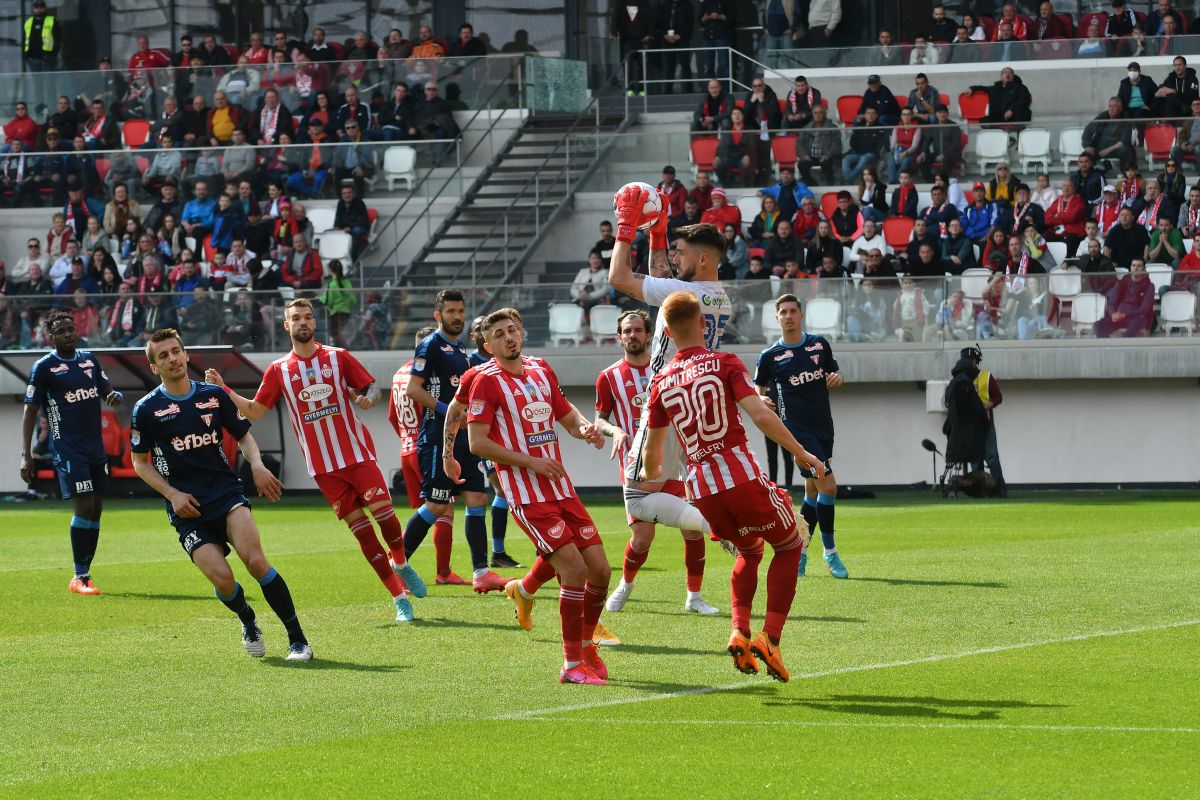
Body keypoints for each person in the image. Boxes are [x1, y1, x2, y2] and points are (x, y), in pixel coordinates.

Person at [205, 298, 428, 623]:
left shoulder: (337, 357)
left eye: (308, 317)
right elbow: (255, 410)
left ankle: (401, 562)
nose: (303, 322)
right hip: (324, 469)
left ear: (314, 322)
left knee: (387, 517)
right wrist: (225, 389)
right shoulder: (280, 369)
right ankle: (399, 598)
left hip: (357, 455)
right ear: (287, 325)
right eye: (296, 318)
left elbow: (370, 387)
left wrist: (369, 398)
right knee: (364, 534)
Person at [642, 290, 823, 682]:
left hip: (702, 489)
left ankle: (739, 630)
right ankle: (770, 639)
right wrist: (800, 452)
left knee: (748, 549)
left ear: (669, 334)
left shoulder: (661, 382)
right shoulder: (723, 361)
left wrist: (646, 474)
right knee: (792, 544)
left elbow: (652, 457)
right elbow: (758, 413)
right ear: (704, 325)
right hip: (739, 474)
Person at [132, 329, 311, 660]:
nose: (172, 359)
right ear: (155, 367)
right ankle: (247, 618)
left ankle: (298, 640)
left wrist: (256, 465)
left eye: (176, 352)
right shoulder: (146, 410)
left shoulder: (213, 395)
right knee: (224, 580)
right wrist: (172, 495)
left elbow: (244, 437)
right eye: (163, 356)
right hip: (187, 508)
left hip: (226, 494)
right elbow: (140, 463)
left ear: (186, 356)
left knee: (256, 561)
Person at [465, 309, 612, 684]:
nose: (508, 337)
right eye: (498, 334)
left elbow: (565, 414)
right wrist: (531, 462)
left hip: (561, 488)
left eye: (512, 329)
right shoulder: (486, 382)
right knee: (575, 570)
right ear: (488, 346)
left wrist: (585, 430)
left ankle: (584, 641)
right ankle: (571, 665)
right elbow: (478, 442)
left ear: (523, 332)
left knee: (600, 569)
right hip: (528, 495)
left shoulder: (541, 368)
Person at [607, 191, 731, 618]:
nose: (671, 259)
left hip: (664, 405)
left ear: (699, 261)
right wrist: (658, 232)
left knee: (637, 500)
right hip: (693, 409)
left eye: (680, 253)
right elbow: (660, 273)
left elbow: (620, 278)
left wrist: (627, 228)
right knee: (655, 514)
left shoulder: (682, 292)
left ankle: (718, 523)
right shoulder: (717, 295)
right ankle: (709, 530)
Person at [594, 307, 718, 616]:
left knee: (692, 529)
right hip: (638, 468)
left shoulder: (669, 370)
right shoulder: (608, 377)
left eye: (638, 330)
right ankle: (625, 585)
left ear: (650, 335)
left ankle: (694, 598)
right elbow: (599, 420)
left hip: (678, 463)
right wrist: (616, 430)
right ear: (619, 337)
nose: (632, 335)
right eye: (627, 331)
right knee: (642, 537)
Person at [403, 290, 511, 593]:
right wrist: (449, 412)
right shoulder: (430, 345)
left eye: (460, 311)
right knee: (436, 505)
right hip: (438, 437)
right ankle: (397, 564)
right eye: (450, 311)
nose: (457, 316)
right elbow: (414, 389)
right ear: (438, 315)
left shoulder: (461, 349)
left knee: (477, 500)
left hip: (463, 440)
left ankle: (481, 573)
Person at [19, 310, 123, 595]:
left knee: (97, 508)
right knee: (85, 505)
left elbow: (106, 389)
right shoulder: (44, 367)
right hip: (67, 449)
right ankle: (80, 576)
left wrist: (114, 396)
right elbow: (30, 410)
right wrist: (25, 454)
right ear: (51, 338)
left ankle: (85, 572)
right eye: (62, 332)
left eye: (70, 329)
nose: (68, 335)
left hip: (95, 449)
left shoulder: (89, 359)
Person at [755, 293, 846, 577]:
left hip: (822, 425)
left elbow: (835, 374)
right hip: (794, 430)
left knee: (812, 490)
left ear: (801, 314)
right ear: (777, 317)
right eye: (784, 311)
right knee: (828, 486)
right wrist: (763, 400)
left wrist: (837, 378)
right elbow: (757, 389)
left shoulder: (819, 344)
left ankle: (799, 552)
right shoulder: (769, 356)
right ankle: (830, 553)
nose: (789, 315)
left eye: (794, 310)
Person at [387, 326, 462, 584]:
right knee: (443, 507)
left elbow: (391, 416)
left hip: (406, 447)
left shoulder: (399, 373)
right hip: (427, 445)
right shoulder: (429, 375)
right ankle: (440, 572)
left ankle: (403, 566)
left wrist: (408, 438)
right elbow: (428, 413)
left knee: (426, 510)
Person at [611, 0, 654, 96]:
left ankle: (642, 90)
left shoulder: (645, 3)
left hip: (642, 40)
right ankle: (629, 90)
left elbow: (651, 18)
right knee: (627, 67)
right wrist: (613, 33)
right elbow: (615, 17)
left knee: (643, 67)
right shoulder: (621, 3)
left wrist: (649, 34)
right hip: (627, 40)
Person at [656, 0, 695, 93]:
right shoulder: (664, 5)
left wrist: (680, 35)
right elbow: (659, 22)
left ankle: (689, 90)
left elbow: (689, 23)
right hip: (667, 39)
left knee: (685, 64)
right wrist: (665, 35)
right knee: (670, 65)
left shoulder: (687, 4)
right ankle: (668, 90)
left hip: (683, 39)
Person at [796, 103, 840, 185]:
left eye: (820, 113)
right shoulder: (806, 128)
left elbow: (837, 146)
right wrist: (804, 155)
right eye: (815, 113)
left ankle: (830, 186)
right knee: (802, 164)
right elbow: (799, 145)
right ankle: (812, 185)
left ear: (825, 114)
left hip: (826, 156)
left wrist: (827, 155)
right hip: (810, 157)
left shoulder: (833, 128)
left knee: (828, 164)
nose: (817, 115)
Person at [22, 0, 59, 73]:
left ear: (45, 8)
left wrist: (52, 56)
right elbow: (24, 40)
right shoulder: (28, 22)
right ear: (33, 9)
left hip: (47, 59)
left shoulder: (52, 21)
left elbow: (58, 40)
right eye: (37, 7)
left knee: (49, 83)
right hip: (32, 59)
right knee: (37, 84)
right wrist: (26, 56)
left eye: (41, 7)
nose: (39, 9)